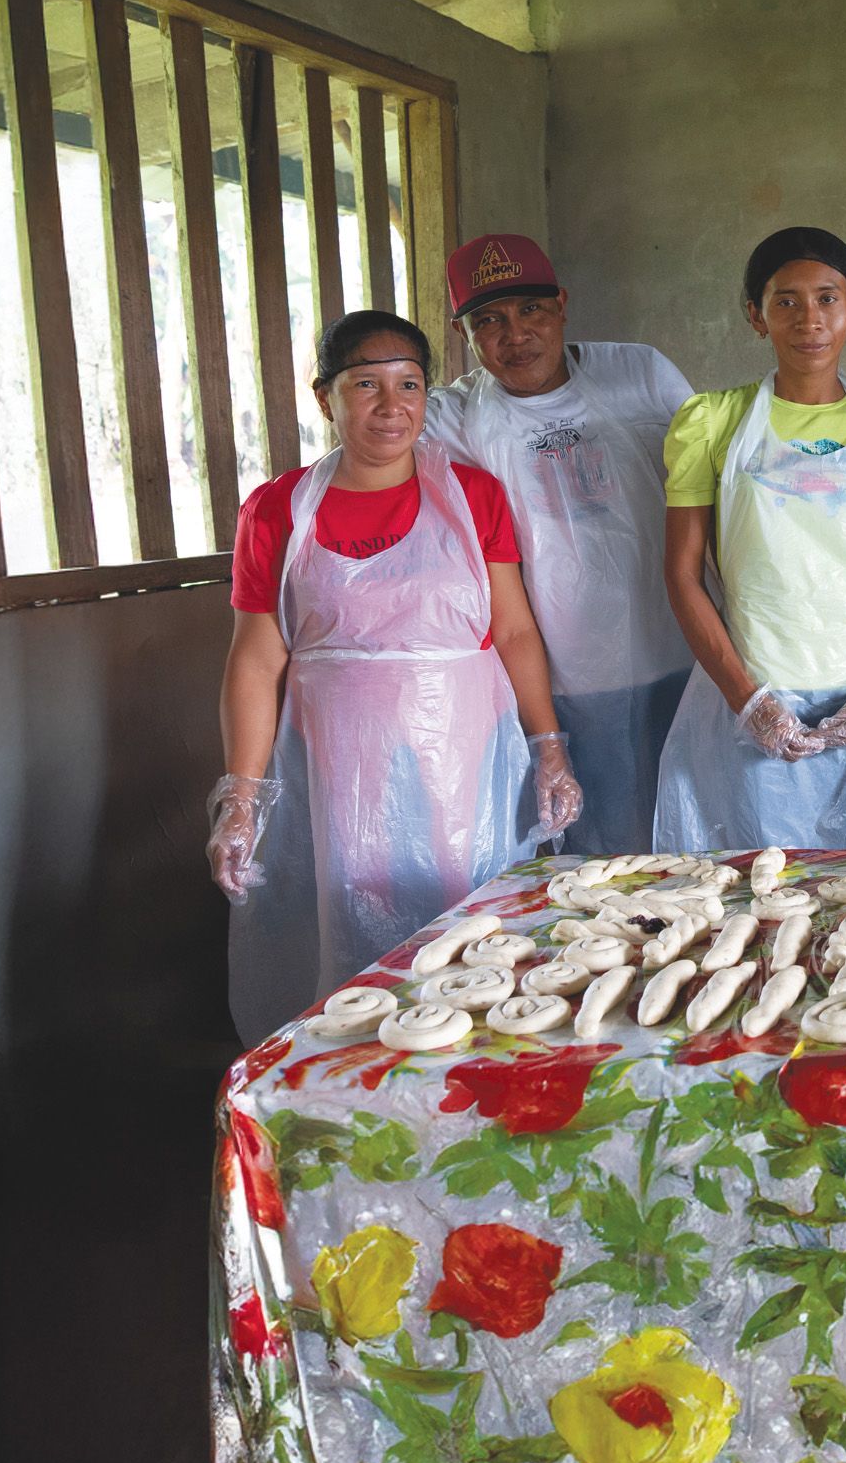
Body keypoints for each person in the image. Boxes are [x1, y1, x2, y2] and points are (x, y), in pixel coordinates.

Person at [207, 310, 582, 1043]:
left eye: (409, 384)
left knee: (471, 924)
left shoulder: (471, 496)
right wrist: (242, 796)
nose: (391, 406)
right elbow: (257, 658)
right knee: (352, 928)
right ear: (325, 398)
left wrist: (549, 746)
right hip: (339, 766)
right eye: (366, 385)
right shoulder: (278, 509)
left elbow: (511, 630)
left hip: (464, 757)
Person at [654, 227, 846, 850]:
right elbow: (681, 575)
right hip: (757, 683)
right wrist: (748, 699)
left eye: (827, 299)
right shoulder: (713, 422)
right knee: (767, 888)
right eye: (785, 301)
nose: (808, 319)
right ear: (756, 316)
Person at [422, 234, 693, 854]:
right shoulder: (452, 416)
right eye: (487, 320)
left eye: (530, 310)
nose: (514, 334)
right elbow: (372, 444)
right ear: (463, 335)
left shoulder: (640, 373)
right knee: (600, 851)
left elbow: (716, 483)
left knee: (689, 833)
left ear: (563, 304)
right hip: (561, 668)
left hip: (677, 641)